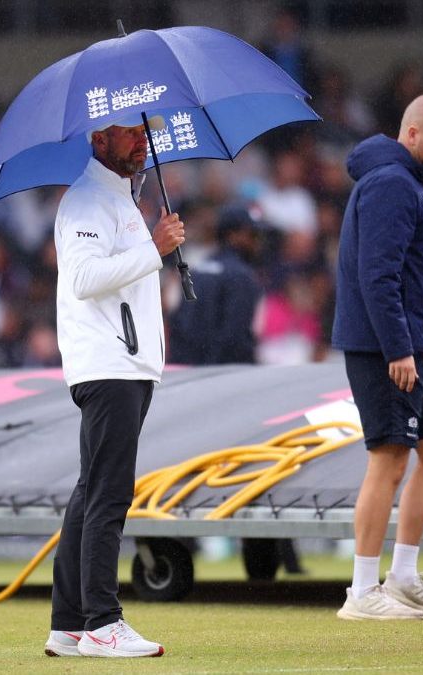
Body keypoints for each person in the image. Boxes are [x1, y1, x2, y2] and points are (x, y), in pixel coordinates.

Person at [44, 116, 184, 658]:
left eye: (142, 132)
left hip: (120, 362)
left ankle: (69, 625)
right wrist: (154, 247)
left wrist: (153, 246)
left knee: (91, 490)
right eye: (130, 132)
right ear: (99, 139)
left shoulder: (121, 198)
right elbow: (82, 279)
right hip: (109, 364)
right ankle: (103, 621)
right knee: (109, 492)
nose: (141, 139)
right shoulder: (86, 200)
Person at [331, 94, 423, 621]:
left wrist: (418, 347)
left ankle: (402, 576)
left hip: (408, 347)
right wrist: (400, 348)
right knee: (388, 458)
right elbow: (377, 275)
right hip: (385, 349)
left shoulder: (407, 183)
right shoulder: (392, 184)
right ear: (412, 134)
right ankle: (362, 591)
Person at [167, 205, 263, 365]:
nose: (257, 242)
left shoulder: (198, 268)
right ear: (232, 235)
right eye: (252, 235)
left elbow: (178, 323)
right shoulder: (241, 275)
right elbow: (236, 337)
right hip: (221, 371)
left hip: (186, 368)